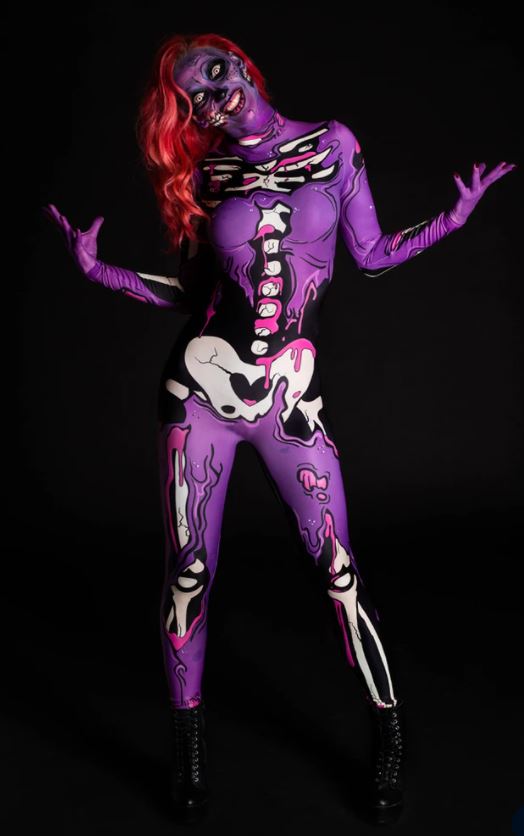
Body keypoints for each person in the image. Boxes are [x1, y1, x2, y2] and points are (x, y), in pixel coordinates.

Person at [42, 32, 516, 825]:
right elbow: (191, 294)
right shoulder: (207, 175)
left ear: (243, 64)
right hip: (200, 390)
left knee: (338, 569)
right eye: (192, 98)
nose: (211, 96)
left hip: (290, 399)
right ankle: (188, 750)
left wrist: (454, 220)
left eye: (214, 73)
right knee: (189, 570)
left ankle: (388, 735)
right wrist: (100, 272)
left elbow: (372, 254)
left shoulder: (334, 144)